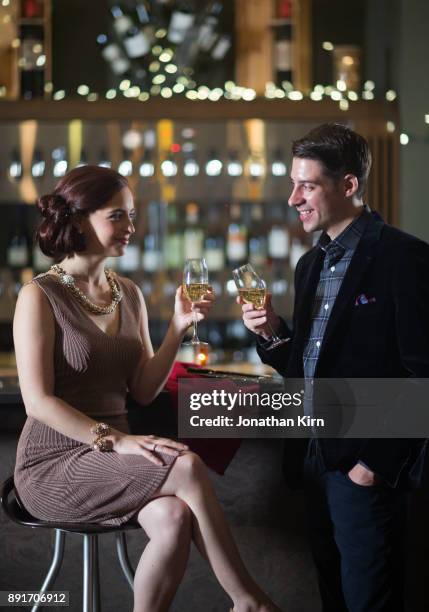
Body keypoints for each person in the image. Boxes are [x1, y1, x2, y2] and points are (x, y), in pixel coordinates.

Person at [13, 165, 280, 612]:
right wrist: (117, 440)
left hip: (117, 459)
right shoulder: (39, 296)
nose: (131, 228)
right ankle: (247, 602)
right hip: (55, 462)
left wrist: (176, 327)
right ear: (79, 220)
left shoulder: (129, 294)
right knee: (187, 465)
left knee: (174, 517)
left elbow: (141, 389)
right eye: (118, 216)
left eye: (132, 216)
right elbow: (37, 401)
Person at [239, 123, 429, 612]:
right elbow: (307, 367)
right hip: (314, 461)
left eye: (308, 185)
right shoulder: (310, 265)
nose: (292, 199)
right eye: (293, 183)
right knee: (333, 601)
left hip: (364, 468)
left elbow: (422, 374)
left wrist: (374, 467)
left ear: (348, 186)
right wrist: (272, 333)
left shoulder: (404, 258)